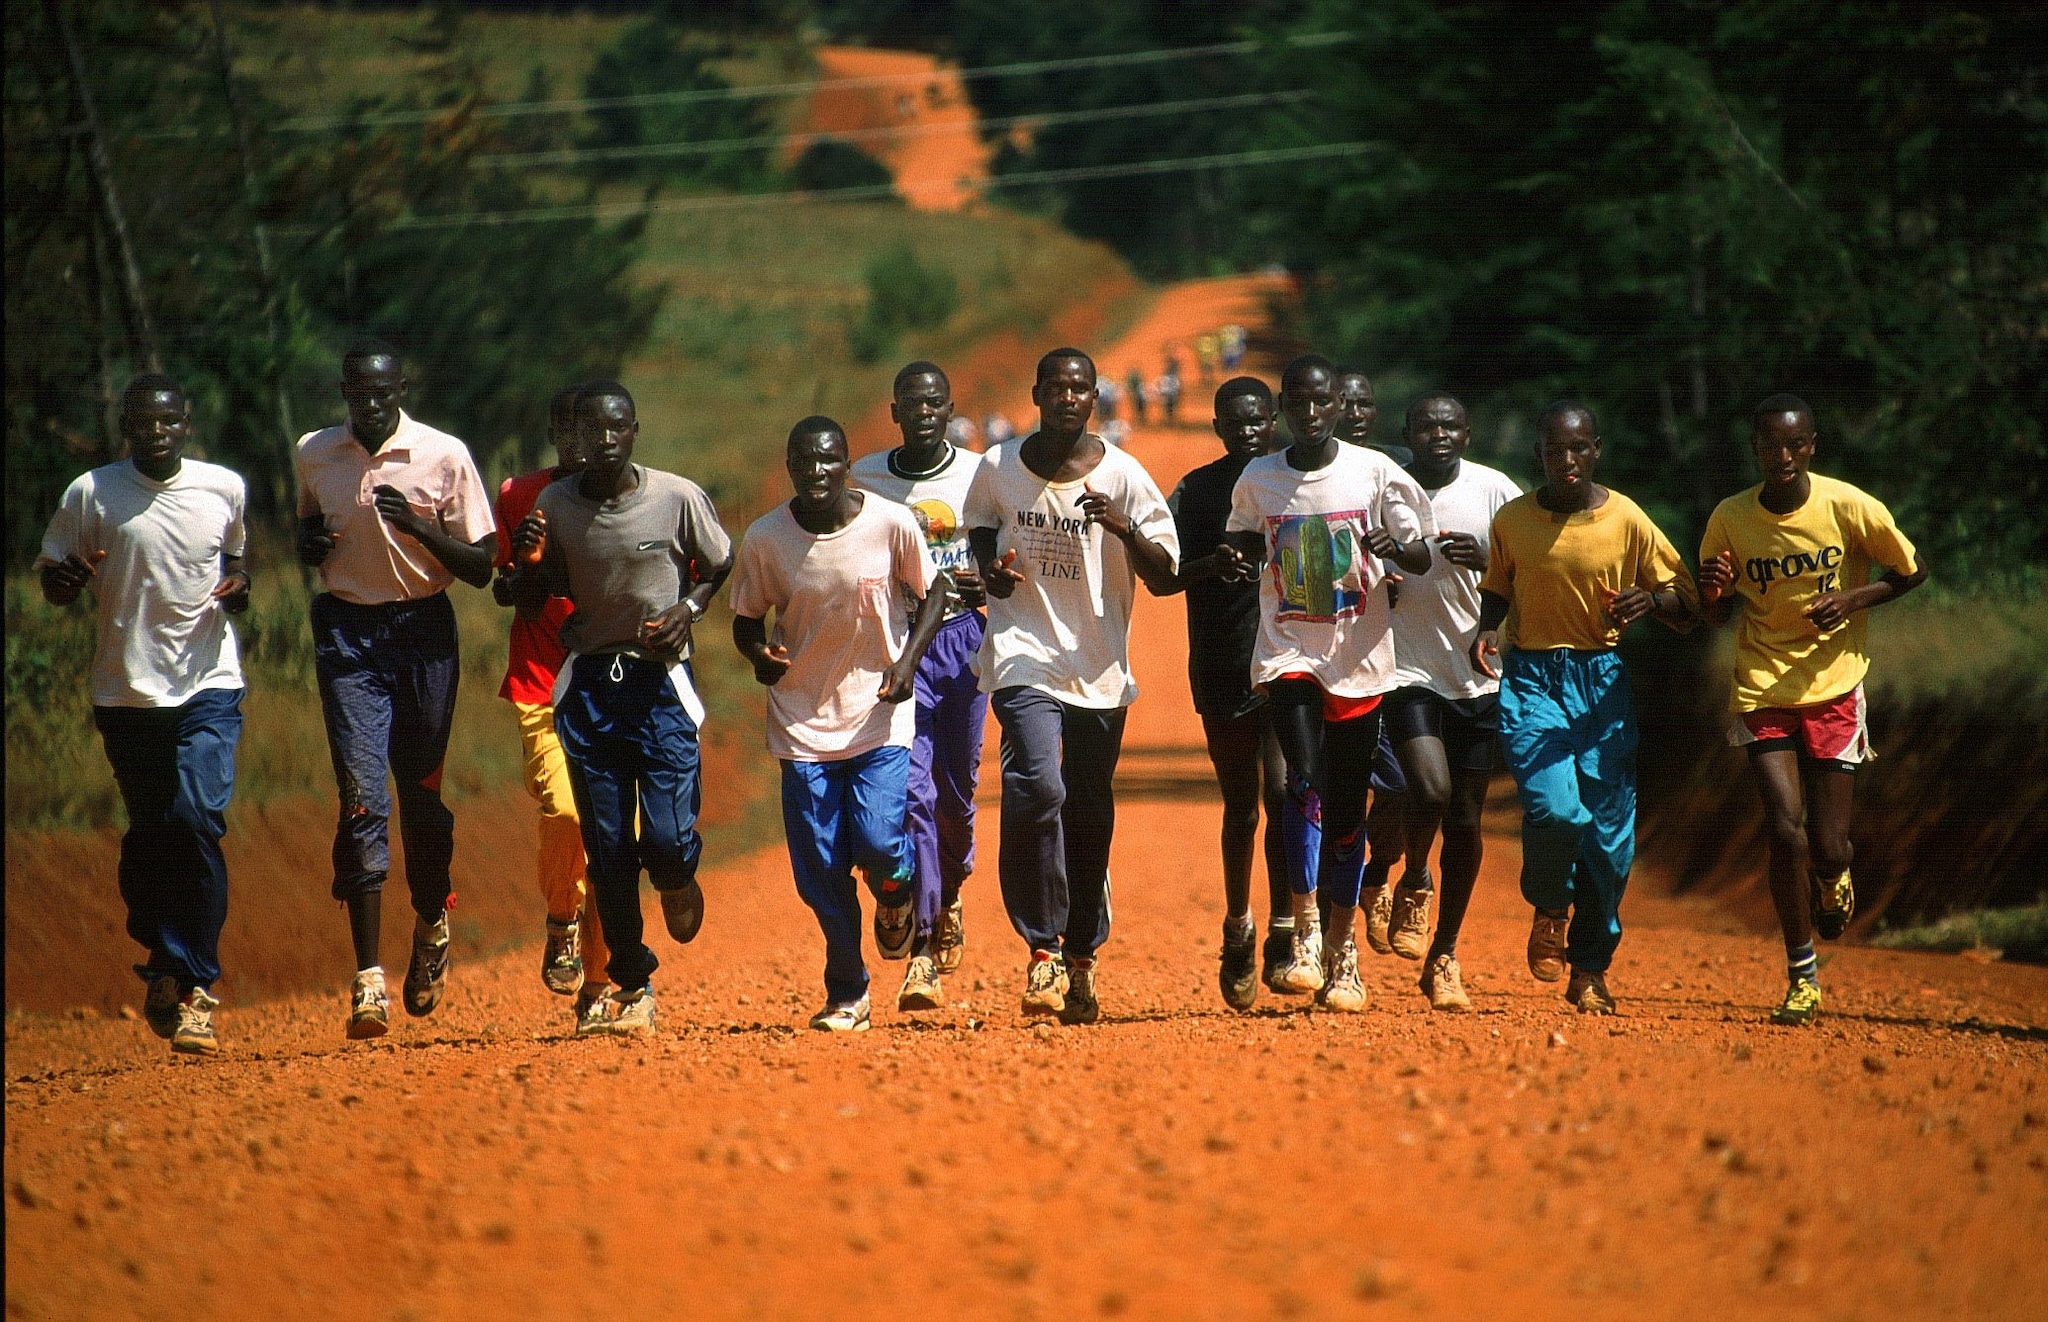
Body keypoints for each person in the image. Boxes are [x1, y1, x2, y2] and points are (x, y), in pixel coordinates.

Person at [505, 381, 733, 1037]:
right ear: (576, 437)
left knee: (662, 842)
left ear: (635, 431)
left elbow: (719, 562)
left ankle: (678, 875)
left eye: (617, 427)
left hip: (660, 684)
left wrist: (688, 610)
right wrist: (529, 561)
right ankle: (633, 984)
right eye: (592, 429)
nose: (604, 440)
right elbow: (532, 600)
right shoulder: (555, 506)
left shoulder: (675, 497)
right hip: (591, 688)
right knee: (606, 850)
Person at [36, 374, 250, 1055]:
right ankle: (162, 952)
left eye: (167, 420)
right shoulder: (90, 493)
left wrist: (240, 583)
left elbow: (237, 557)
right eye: (143, 421)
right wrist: (64, 581)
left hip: (208, 684)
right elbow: (53, 578)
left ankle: (195, 988)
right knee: (152, 834)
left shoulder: (223, 487)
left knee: (196, 819)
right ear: (125, 425)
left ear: (186, 423)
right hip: (125, 693)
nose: (156, 432)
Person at [966, 347, 1180, 1025]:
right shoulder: (999, 465)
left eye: (1079, 388)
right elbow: (979, 526)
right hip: (1023, 651)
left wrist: (1122, 526)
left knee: (1087, 809)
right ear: (1036, 394)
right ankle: (1042, 948)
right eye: (1055, 387)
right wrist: (990, 572)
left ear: (1095, 398)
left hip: (1098, 668)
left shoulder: (1124, 475)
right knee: (1039, 785)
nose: (1067, 397)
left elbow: (1166, 575)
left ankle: (1082, 950)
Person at [1698, 394, 1925, 1026]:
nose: (1783, 456)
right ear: (1756, 449)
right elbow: (1715, 612)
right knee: (1783, 829)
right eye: (1771, 445)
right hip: (1763, 684)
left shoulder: (1848, 506)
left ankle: (1833, 877)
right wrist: (1713, 589)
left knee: (1828, 844)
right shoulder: (1730, 518)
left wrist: (1852, 600)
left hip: (1834, 686)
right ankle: (1802, 976)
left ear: (1812, 446)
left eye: (1795, 444)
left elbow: (1911, 572)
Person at [296, 342, 496, 1040]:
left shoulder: (443, 455)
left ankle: (432, 919)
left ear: (401, 389)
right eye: (359, 393)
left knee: (420, 797)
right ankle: (367, 981)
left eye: (382, 392)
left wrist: (416, 526)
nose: (371, 405)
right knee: (362, 799)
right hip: (348, 633)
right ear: (345, 392)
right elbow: (307, 528)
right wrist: (308, 547)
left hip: (423, 633)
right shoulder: (316, 452)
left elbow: (483, 566)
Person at [1471, 401, 1699, 1015]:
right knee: (1555, 808)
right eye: (1554, 450)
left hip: (1602, 684)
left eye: (1578, 448)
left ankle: (1590, 968)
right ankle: (1550, 905)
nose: (1566, 460)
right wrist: (1488, 630)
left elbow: (1683, 595)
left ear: (1596, 450)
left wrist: (1650, 600)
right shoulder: (1514, 519)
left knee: (1610, 842)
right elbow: (1498, 586)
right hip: (1533, 678)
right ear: (1539, 454)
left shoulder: (1626, 517)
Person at [1222, 355, 1433, 1012]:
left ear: (1339, 406)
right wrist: (1237, 557)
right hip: (1289, 654)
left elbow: (1420, 551)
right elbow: (1242, 538)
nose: (1309, 414)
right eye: (1297, 402)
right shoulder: (1260, 477)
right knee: (1301, 783)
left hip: (1358, 660)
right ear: (1283, 408)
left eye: (1321, 402)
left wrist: (1395, 550)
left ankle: (1344, 950)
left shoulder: (1374, 472)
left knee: (1346, 812)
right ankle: (1307, 931)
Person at [732, 417, 948, 1029]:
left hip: (879, 713)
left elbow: (933, 593)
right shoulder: (766, 538)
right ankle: (848, 990)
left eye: (828, 459)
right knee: (822, 873)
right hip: (802, 722)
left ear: (848, 463)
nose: (816, 471)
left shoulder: (890, 522)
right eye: (804, 461)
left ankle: (896, 890)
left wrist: (908, 663)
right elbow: (746, 619)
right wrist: (758, 655)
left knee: (879, 842)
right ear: (789, 467)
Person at [1365, 394, 1522, 1010]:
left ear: (1467, 432)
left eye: (1450, 425)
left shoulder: (1495, 490)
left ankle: (1445, 955)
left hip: (1476, 675)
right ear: (1407, 433)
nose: (1439, 434)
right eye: (1426, 426)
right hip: (1405, 668)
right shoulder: (1387, 487)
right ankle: (1413, 879)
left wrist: (1487, 564)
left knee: (1465, 821)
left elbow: (1529, 571)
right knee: (1428, 789)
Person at [850, 361, 988, 989]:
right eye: (913, 403)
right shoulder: (866, 478)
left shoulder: (978, 473)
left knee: (956, 792)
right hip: (895, 648)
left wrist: (988, 579)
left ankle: (950, 891)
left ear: (950, 409)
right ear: (895, 412)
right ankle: (924, 945)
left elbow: (999, 544)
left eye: (935, 402)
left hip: (961, 644)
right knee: (913, 793)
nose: (925, 412)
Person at [1161, 377, 1292, 1010]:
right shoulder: (1195, 492)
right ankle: (1238, 927)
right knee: (1242, 807)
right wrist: (1208, 566)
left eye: (1257, 419)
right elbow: (1162, 576)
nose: (1247, 430)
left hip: (1292, 661)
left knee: (1287, 794)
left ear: (1275, 420)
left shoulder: (1296, 480)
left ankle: (1287, 930)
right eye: (1234, 421)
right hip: (1222, 664)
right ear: (1217, 426)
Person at [491, 386, 610, 1024]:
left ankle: (600, 985)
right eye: (567, 431)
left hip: (615, 681)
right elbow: (509, 589)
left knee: (613, 835)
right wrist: (526, 565)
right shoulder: (520, 496)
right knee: (565, 810)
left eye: (590, 430)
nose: (579, 444)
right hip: (542, 679)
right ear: (553, 434)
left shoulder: (633, 497)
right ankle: (562, 917)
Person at [1335, 367, 1413, 467]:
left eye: (1365, 405)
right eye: (1344, 405)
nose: (1357, 415)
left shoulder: (1403, 461)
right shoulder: (1317, 468)